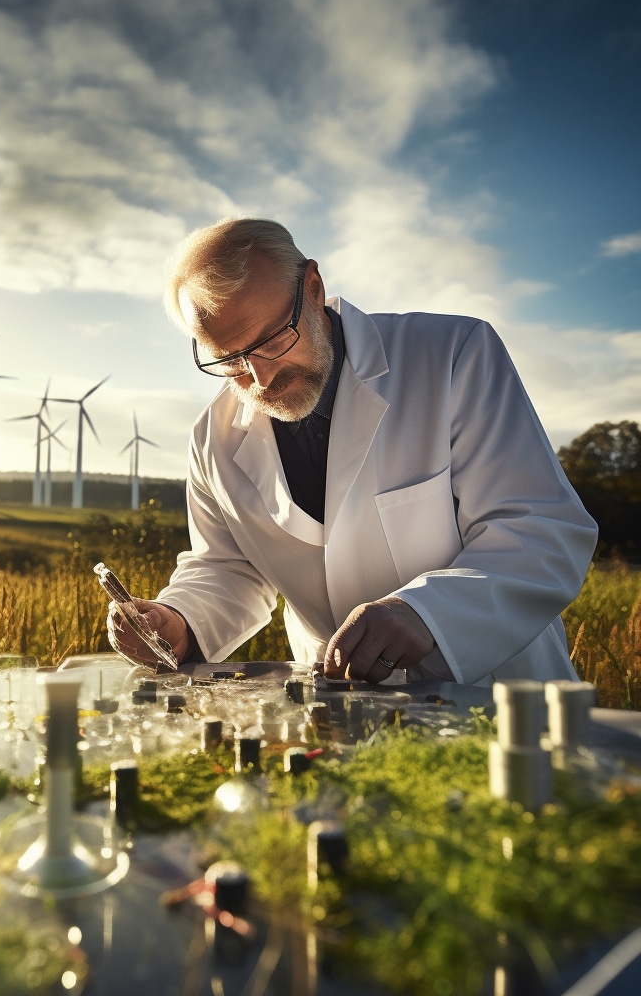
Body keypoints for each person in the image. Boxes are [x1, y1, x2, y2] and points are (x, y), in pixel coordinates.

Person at [108, 218, 598, 686]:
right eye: (230, 359)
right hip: (334, 704)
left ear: (313, 288)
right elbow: (227, 566)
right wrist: (180, 620)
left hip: (492, 696)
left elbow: (537, 527)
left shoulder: (453, 354)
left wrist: (429, 614)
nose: (260, 379)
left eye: (273, 340)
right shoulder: (212, 435)